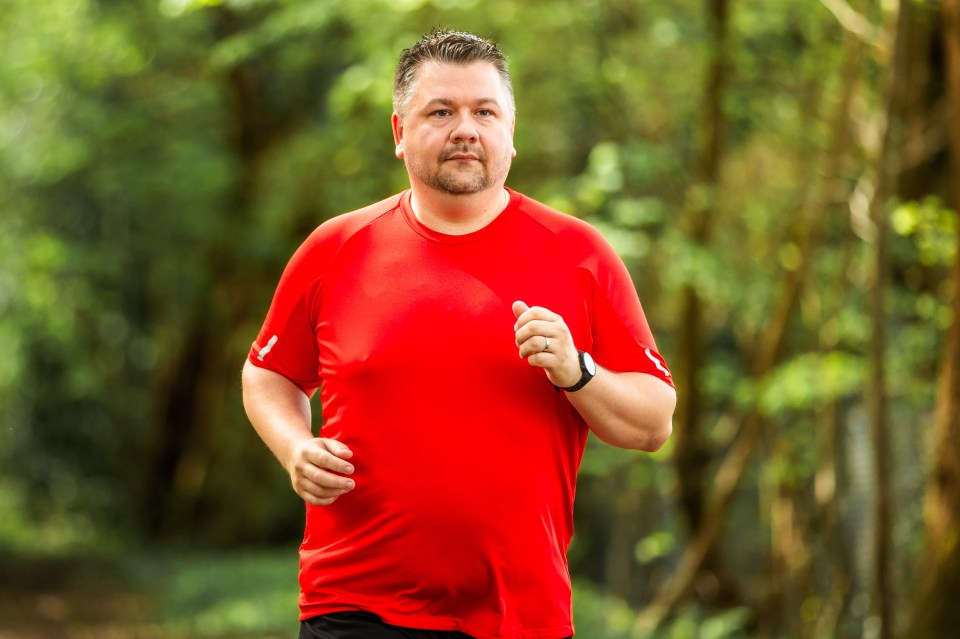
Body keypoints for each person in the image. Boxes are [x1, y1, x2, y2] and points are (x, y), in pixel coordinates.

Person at [242, 29, 676, 639]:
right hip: (355, 607)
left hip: (520, 616)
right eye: (441, 111)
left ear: (510, 133)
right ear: (399, 132)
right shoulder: (335, 249)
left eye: (484, 111)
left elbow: (654, 421)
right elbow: (268, 372)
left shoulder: (579, 255)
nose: (465, 128)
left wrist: (578, 371)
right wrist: (294, 447)